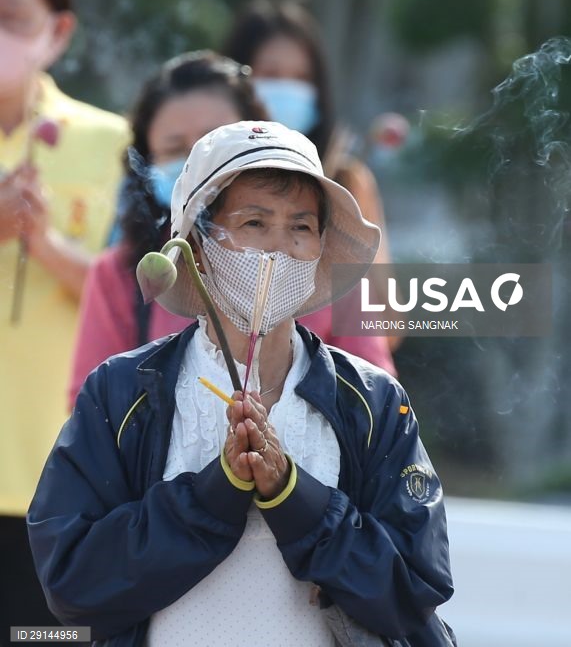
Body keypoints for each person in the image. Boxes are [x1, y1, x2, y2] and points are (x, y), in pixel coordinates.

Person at [28, 121, 455, 647]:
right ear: (199, 247)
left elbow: (413, 591)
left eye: (300, 227)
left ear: (321, 247)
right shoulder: (123, 393)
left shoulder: (371, 401)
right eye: (254, 223)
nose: (279, 248)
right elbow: (73, 581)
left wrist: (296, 498)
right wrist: (214, 494)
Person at [0, 0, 129, 634]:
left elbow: (144, 301)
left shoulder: (110, 144)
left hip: (63, 479)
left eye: (13, 18)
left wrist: (45, 246)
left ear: (59, 31)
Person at [68, 50, 267, 407]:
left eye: (215, 140)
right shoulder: (121, 274)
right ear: (146, 166)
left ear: (264, 138)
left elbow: (375, 401)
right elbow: (93, 411)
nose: (197, 161)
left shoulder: (326, 256)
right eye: (175, 149)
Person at [223, 0, 400, 366]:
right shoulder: (203, 186)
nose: (287, 90)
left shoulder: (346, 183)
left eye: (302, 79)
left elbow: (385, 323)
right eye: (271, 76)